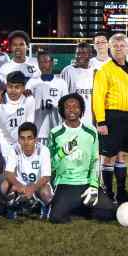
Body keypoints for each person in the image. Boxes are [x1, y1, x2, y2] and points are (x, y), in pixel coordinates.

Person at [47, 93, 117, 223]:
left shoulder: (90, 131)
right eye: (68, 107)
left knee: (109, 213)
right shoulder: (55, 133)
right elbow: (50, 165)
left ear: (81, 109)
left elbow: (95, 161)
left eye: (75, 107)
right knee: (56, 217)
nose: (72, 110)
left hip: (86, 183)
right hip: (65, 183)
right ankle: (77, 205)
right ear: (62, 110)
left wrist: (94, 186)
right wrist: (62, 152)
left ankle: (81, 205)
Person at [92, 32, 128, 203]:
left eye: (122, 46)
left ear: (127, 48)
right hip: (111, 117)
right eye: (115, 46)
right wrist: (101, 121)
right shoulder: (104, 70)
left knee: (123, 156)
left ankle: (121, 192)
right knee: (109, 157)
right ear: (110, 48)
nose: (119, 49)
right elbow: (98, 96)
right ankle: (108, 193)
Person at [0, 122, 53, 219]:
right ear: (19, 139)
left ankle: (44, 207)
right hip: (21, 185)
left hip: (38, 185)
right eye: (22, 138)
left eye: (29, 138)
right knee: (4, 185)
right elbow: (8, 173)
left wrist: (32, 189)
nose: (26, 142)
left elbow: (46, 177)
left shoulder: (44, 150)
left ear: (35, 139)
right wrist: (19, 186)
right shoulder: (14, 149)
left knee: (46, 193)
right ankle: (11, 207)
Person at [26, 48, 69, 144]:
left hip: (56, 130)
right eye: (40, 62)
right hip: (37, 131)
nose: (43, 65)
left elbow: (65, 107)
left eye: (46, 61)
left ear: (52, 62)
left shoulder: (61, 83)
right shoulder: (32, 83)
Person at [0, 71, 36, 155]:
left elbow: (29, 124)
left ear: (23, 88)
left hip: (22, 142)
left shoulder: (29, 100)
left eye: (17, 87)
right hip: (4, 142)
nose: (13, 91)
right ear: (6, 86)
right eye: (10, 87)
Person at [60, 42, 96, 125]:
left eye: (84, 53)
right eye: (78, 53)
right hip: (72, 119)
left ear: (90, 55)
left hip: (92, 119)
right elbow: (62, 97)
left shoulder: (95, 71)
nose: (80, 56)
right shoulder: (68, 71)